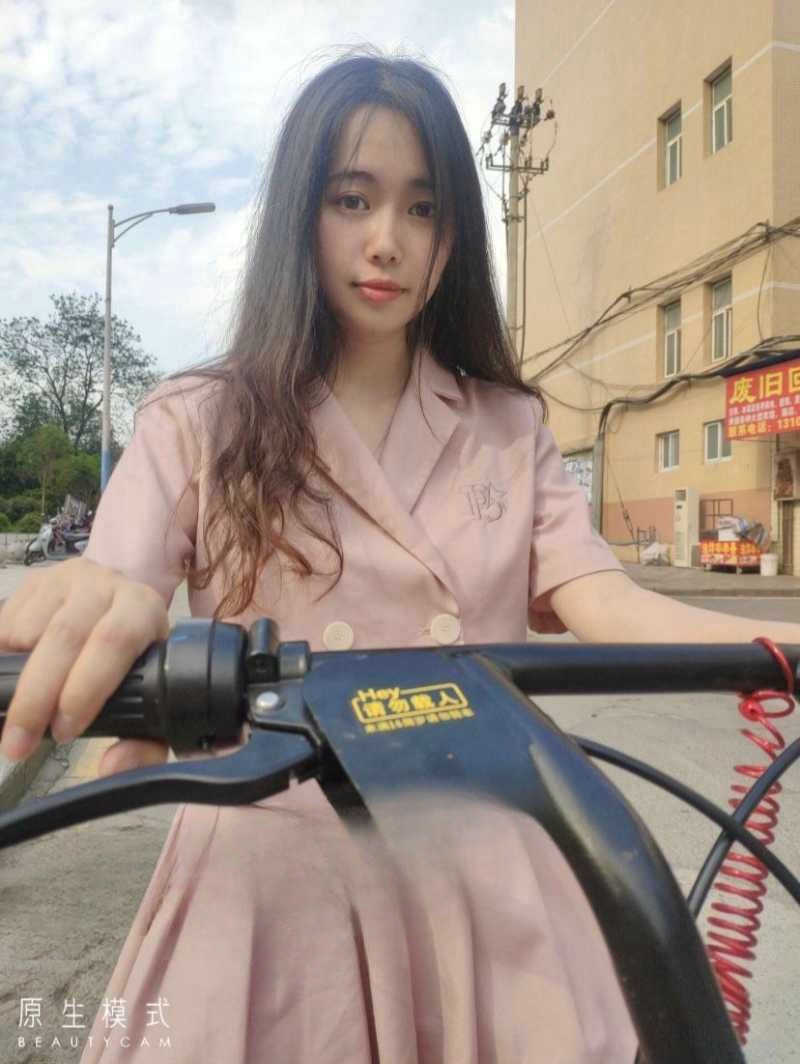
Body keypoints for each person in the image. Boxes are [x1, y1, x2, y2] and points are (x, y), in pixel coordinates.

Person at [1, 48, 798, 1063]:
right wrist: (99, 602)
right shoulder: (198, 418)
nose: (387, 240)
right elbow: (119, 580)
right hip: (267, 870)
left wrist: (779, 638)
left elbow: (602, 598)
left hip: (488, 862)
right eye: (353, 198)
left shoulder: (507, 424)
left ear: (451, 236)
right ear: (301, 215)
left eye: (422, 208)